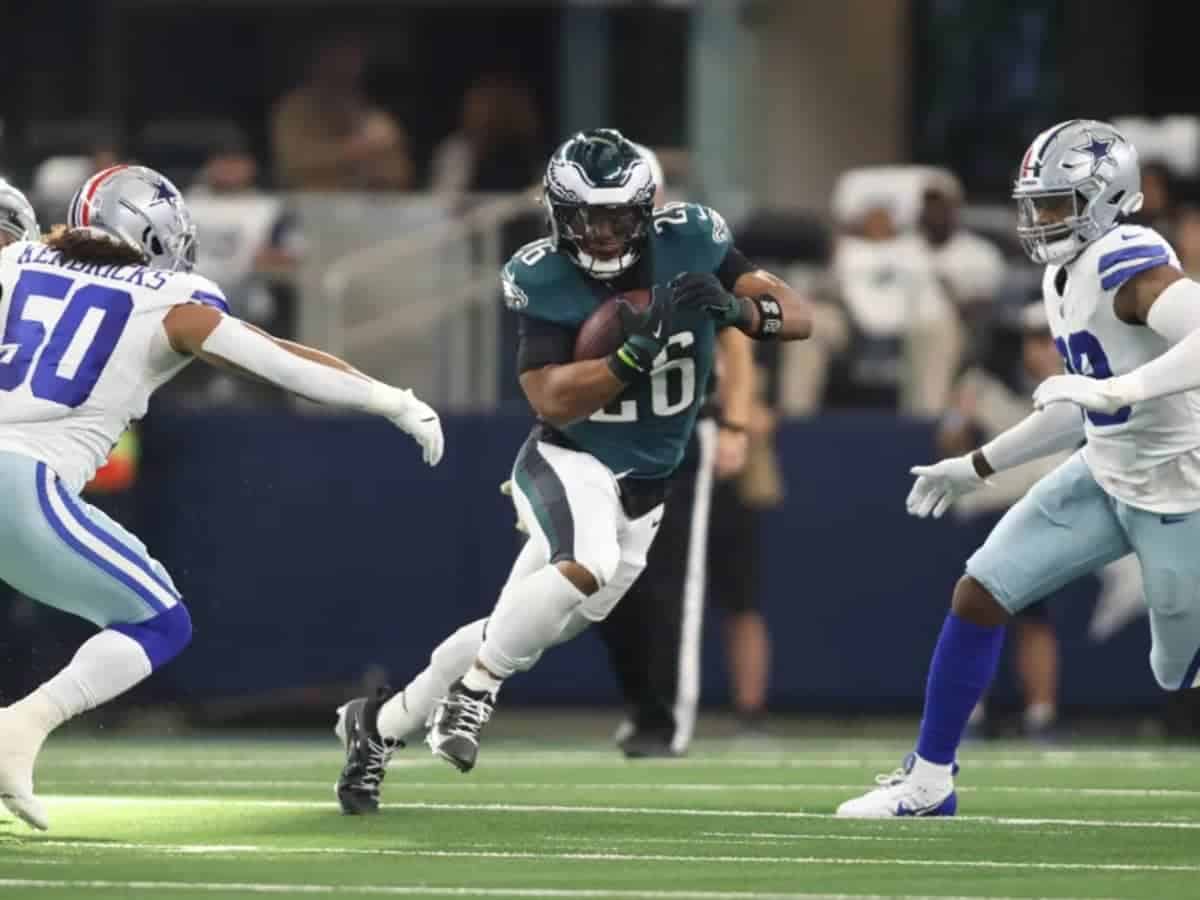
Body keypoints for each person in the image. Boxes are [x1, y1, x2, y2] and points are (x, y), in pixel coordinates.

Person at [332, 128, 813, 813]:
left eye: (620, 215)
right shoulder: (540, 273)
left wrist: (735, 307)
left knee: (523, 623)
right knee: (581, 562)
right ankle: (474, 695)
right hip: (568, 457)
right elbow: (548, 395)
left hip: (646, 492)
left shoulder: (694, 237)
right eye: (589, 215)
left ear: (646, 211)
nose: (606, 232)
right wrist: (632, 356)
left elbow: (799, 315)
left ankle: (375, 727)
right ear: (560, 213)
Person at [0, 164, 443, 831]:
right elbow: (277, 361)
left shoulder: (17, 259)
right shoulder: (171, 296)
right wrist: (393, 399)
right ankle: (18, 733)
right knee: (158, 622)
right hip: (22, 485)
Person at [838, 118, 1200, 818]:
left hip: (1180, 487)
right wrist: (973, 466)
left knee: (1177, 668)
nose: (1040, 219)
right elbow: (1078, 404)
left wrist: (1120, 391)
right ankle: (929, 780)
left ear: (1106, 197)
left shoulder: (1128, 255)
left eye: (1057, 204)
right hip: (1105, 468)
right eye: (1036, 203)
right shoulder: (1062, 276)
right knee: (981, 590)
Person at [937, 303, 1070, 740]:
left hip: (1044, 511)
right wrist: (961, 411)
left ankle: (1040, 714)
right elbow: (950, 437)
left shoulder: (1079, 384)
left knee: (1037, 619)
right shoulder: (981, 384)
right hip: (989, 511)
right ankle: (969, 714)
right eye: (1034, 339)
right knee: (978, 614)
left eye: (1050, 338)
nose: (1043, 349)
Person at [271, 32, 414, 191]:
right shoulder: (294, 108)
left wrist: (381, 170)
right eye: (338, 58)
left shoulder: (372, 114)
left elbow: (400, 173)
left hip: (369, 205)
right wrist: (357, 149)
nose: (347, 68)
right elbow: (294, 162)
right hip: (310, 203)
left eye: (353, 59)